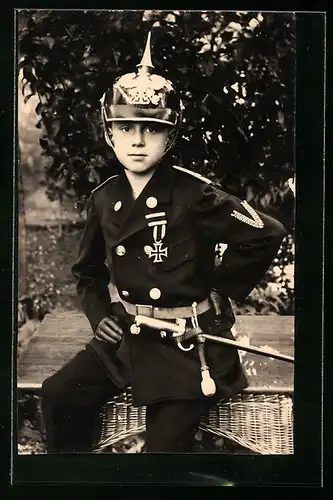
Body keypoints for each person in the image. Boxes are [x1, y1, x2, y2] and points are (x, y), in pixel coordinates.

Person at [40, 31, 286, 453]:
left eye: (151, 129)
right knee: (58, 396)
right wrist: (101, 314)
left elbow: (267, 233)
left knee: (162, 455)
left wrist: (218, 285)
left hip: (187, 344)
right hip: (128, 337)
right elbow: (86, 272)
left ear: (169, 137)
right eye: (126, 127)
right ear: (109, 133)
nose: (137, 140)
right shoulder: (105, 198)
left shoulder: (196, 195)